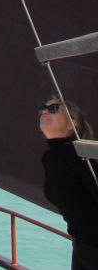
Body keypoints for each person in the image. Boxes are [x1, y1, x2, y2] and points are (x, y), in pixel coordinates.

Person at [40, 95, 98, 269]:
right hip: (83, 247)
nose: (44, 111)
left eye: (53, 109)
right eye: (42, 108)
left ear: (71, 125)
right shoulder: (54, 158)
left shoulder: (80, 157)